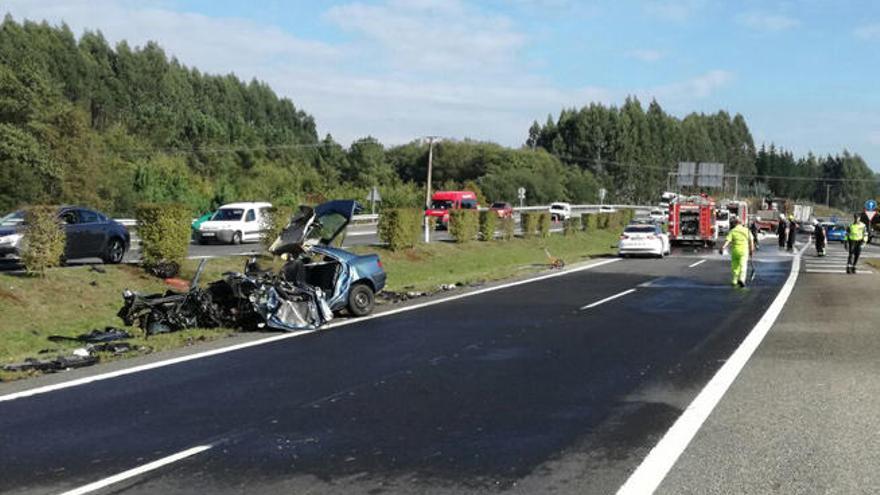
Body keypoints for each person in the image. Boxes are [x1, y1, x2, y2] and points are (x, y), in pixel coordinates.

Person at [720, 216, 755, 287]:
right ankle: (741, 279)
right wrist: (751, 250)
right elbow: (751, 241)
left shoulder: (733, 231)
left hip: (735, 251)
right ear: (741, 223)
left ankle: (734, 280)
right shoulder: (746, 230)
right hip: (744, 251)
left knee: (735, 266)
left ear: (735, 224)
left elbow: (728, 240)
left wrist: (723, 247)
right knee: (743, 265)